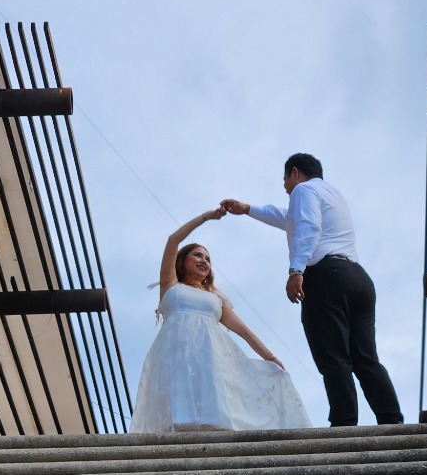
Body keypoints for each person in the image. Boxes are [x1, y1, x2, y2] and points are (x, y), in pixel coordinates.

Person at [221, 153, 403, 427]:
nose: (285, 187)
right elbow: (287, 218)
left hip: (326, 277)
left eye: (285, 179)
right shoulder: (332, 194)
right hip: (358, 279)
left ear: (294, 172)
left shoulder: (303, 190)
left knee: (333, 356)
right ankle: (392, 421)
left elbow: (307, 226)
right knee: (365, 358)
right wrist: (247, 208)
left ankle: (344, 423)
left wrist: (296, 270)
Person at [129, 207, 312, 433]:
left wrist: (271, 357)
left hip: (211, 358)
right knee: (177, 409)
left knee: (211, 414)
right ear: (182, 260)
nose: (204, 261)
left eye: (208, 258)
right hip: (175, 354)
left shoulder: (215, 298)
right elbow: (172, 240)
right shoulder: (170, 286)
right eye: (197, 255)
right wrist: (205, 217)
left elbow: (244, 331)